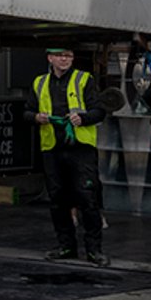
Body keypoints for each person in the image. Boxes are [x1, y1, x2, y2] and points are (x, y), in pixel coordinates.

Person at [33, 45, 108, 265]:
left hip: (80, 149)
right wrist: (36, 117)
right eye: (60, 55)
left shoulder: (84, 79)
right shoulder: (39, 83)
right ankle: (66, 247)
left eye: (68, 55)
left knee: (87, 198)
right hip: (53, 149)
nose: (65, 59)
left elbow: (99, 110)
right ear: (50, 58)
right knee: (58, 200)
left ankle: (94, 250)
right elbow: (27, 111)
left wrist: (82, 118)